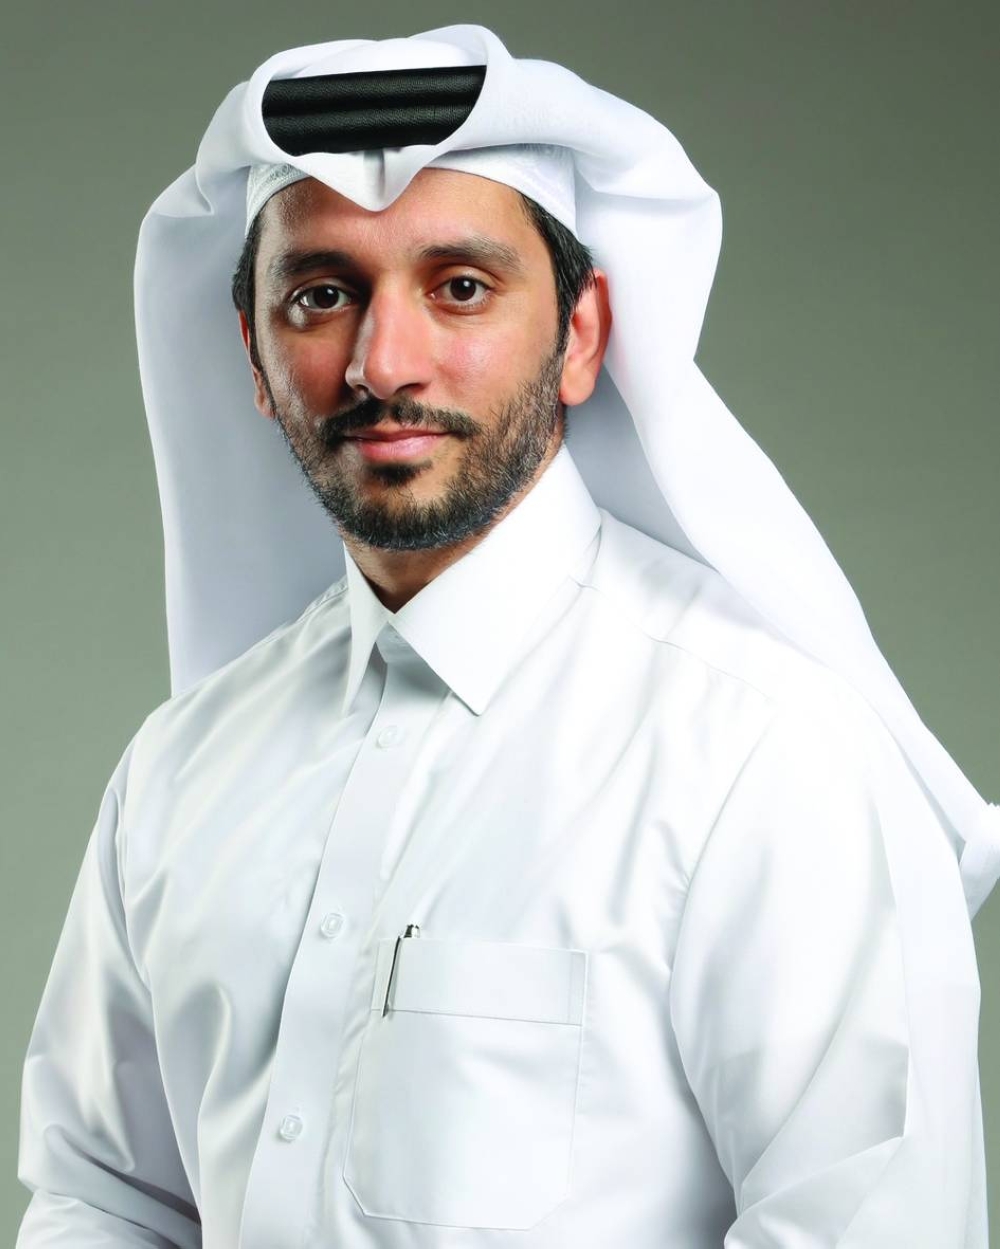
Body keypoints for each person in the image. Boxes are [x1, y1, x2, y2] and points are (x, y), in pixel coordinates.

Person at [16, 25, 998, 1248]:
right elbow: (105, 1197)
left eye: (460, 287)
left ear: (580, 334)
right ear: (255, 359)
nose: (383, 362)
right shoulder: (180, 769)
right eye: (322, 295)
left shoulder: (769, 758)